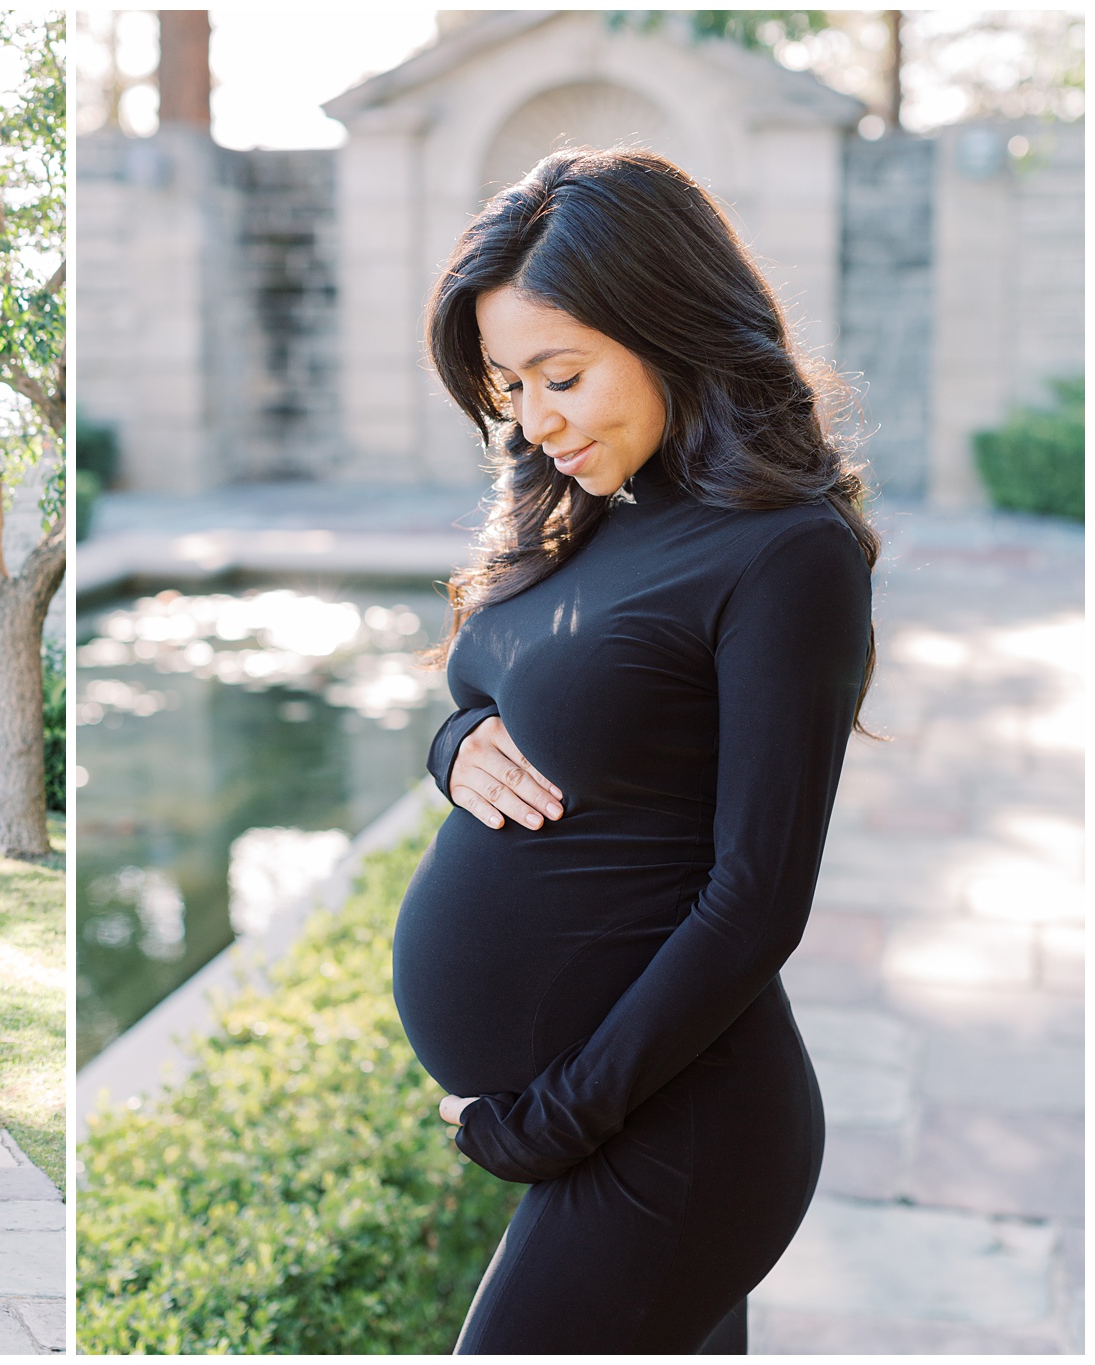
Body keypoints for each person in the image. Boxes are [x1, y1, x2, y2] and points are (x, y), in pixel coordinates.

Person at [392, 147, 877, 1354]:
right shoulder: (591, 508)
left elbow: (755, 901)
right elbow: (494, 688)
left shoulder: (782, 555)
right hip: (634, 1110)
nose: (532, 419)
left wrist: (552, 1119)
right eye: (507, 385)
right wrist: (452, 745)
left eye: (560, 375)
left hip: (682, 1123)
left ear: (666, 328)